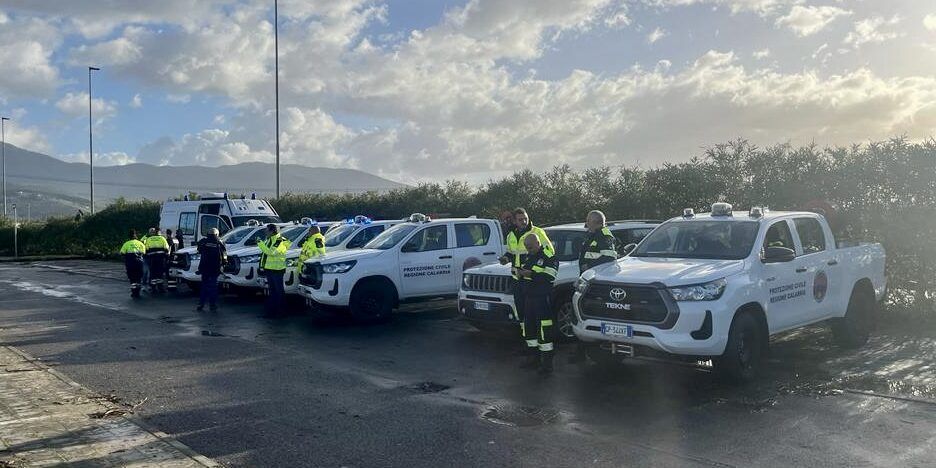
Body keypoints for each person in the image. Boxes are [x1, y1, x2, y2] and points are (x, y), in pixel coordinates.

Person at [571, 210, 618, 363]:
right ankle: (581, 352)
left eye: (588, 221)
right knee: (580, 316)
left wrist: (589, 267)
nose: (586, 224)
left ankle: (589, 352)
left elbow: (609, 259)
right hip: (587, 283)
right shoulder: (594, 235)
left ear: (596, 222)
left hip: (596, 285)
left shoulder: (605, 237)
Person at [499, 208, 554, 341]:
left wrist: (534, 267)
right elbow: (512, 253)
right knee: (522, 312)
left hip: (532, 279)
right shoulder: (511, 234)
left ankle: (538, 339)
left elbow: (549, 251)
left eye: (525, 218)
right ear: (514, 221)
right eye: (520, 219)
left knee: (535, 314)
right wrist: (506, 258)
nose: (523, 221)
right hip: (517, 279)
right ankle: (527, 340)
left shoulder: (537, 232)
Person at [517, 235, 559, 374]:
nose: (528, 249)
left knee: (544, 330)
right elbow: (524, 275)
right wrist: (520, 274)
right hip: (529, 298)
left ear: (537, 243)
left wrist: (532, 274)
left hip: (542, 298)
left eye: (530, 247)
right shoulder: (529, 256)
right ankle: (533, 359)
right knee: (529, 329)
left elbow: (551, 276)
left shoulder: (548, 256)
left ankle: (547, 364)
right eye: (527, 247)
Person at [258, 223, 291, 316]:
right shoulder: (270, 239)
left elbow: (271, 252)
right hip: (269, 269)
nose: (265, 231)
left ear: (272, 231)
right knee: (273, 291)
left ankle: (281, 312)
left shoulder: (279, 241)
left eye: (267, 230)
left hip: (277, 270)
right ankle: (273, 311)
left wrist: (260, 243)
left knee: (279, 291)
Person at [196, 227, 227, 312]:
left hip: (204, 267)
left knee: (204, 286)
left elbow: (198, 250)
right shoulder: (220, 242)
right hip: (215, 268)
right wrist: (224, 264)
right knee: (213, 286)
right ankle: (212, 305)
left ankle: (201, 304)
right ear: (217, 234)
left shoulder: (203, 241)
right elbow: (224, 255)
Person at [119, 229, 146, 298]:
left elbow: (122, 253)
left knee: (132, 278)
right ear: (136, 236)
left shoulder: (126, 243)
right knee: (139, 278)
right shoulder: (140, 243)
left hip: (130, 263)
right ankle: (138, 292)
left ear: (129, 236)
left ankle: (134, 293)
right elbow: (144, 252)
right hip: (139, 263)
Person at [143, 228, 171, 293]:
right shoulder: (162, 238)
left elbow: (146, 249)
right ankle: (160, 287)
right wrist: (166, 257)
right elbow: (166, 248)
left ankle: (153, 288)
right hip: (160, 259)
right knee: (160, 273)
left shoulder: (149, 239)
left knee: (153, 273)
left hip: (152, 259)